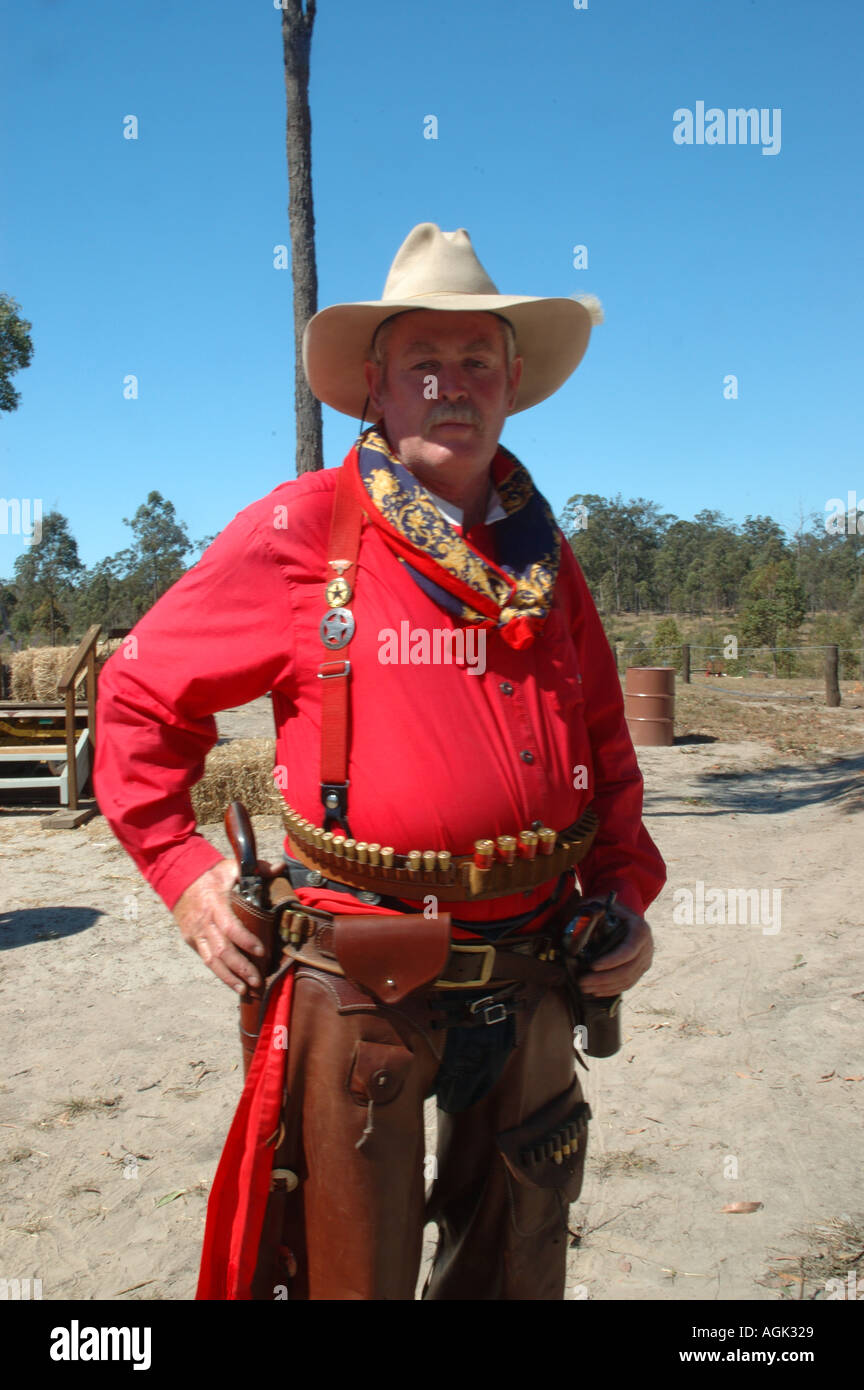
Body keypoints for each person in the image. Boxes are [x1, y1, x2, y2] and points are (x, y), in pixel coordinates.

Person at [94, 222, 666, 1301]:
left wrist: (626, 897)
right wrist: (179, 869)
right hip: (360, 976)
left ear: (511, 384)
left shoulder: (547, 554)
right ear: (377, 387)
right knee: (344, 1274)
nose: (454, 387)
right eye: (426, 365)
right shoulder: (306, 527)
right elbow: (134, 693)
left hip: (540, 970)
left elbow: (605, 757)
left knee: (518, 1260)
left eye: (477, 363)